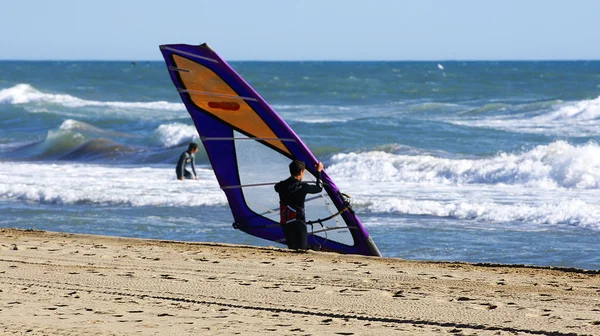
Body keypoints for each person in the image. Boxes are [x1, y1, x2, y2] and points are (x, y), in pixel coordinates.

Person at [274, 160, 324, 250]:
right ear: (301, 172)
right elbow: (319, 188)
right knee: (301, 249)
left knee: (292, 247)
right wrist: (319, 171)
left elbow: (276, 187)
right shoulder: (303, 186)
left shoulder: (281, 185)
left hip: (285, 222)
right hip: (298, 222)